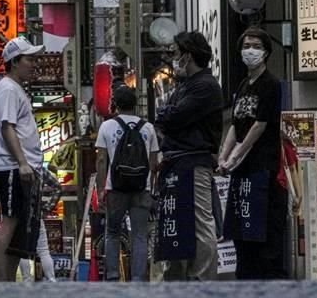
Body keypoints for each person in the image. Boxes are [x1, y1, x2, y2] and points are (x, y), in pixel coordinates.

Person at [153, 31, 224, 281]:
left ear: (188, 56)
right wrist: (167, 116)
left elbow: (171, 117)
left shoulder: (205, 86)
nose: (173, 59)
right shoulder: (185, 86)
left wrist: (168, 117)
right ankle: (179, 281)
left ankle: (202, 280)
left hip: (194, 163)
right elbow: (164, 116)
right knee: (177, 223)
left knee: (199, 225)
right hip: (178, 163)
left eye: (175, 54)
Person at [218, 28, 287, 279]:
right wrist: (223, 158)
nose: (250, 50)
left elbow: (260, 125)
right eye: (246, 45)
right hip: (242, 174)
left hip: (263, 170)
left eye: (256, 46)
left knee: (264, 236)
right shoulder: (243, 85)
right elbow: (236, 125)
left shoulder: (271, 84)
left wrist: (234, 158)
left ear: (266, 52)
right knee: (241, 234)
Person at [0, 37, 45, 282]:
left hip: (20, 166)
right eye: (29, 59)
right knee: (9, 224)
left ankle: (8, 283)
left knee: (17, 229)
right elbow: (7, 127)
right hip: (12, 166)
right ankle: (1, 285)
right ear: (14, 62)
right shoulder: (8, 89)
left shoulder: (14, 89)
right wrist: (21, 162)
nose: (34, 64)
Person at [95, 85, 159, 282]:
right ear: (135, 104)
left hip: (115, 189)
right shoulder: (148, 128)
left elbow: (101, 161)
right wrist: (150, 186)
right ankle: (138, 280)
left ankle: (113, 276)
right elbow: (154, 163)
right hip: (142, 189)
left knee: (112, 232)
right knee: (140, 235)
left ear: (115, 104)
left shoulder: (107, 127)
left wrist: (100, 190)